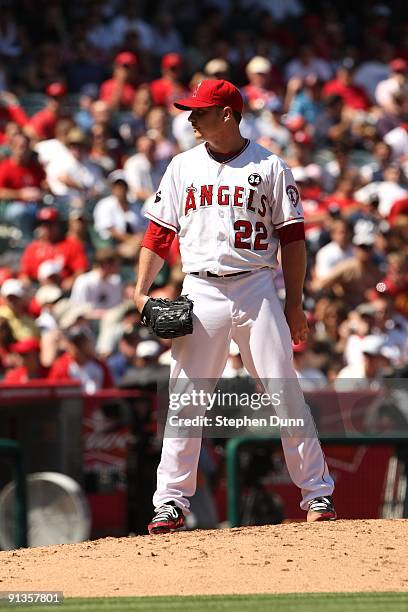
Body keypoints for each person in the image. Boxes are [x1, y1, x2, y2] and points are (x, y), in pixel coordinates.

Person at [133, 79, 336, 534]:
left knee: (285, 392)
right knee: (186, 399)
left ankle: (317, 493)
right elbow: (159, 234)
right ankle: (169, 501)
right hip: (200, 288)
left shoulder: (270, 165)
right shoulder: (182, 167)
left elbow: (293, 240)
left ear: (227, 114)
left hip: (257, 286)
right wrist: (139, 289)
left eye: (201, 112)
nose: (191, 119)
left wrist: (295, 304)